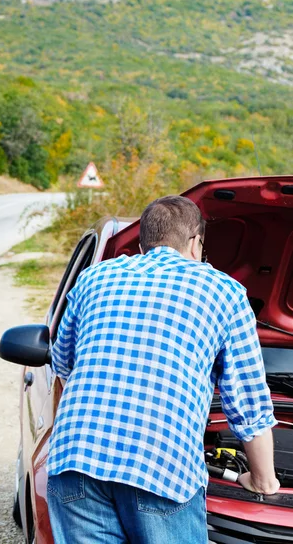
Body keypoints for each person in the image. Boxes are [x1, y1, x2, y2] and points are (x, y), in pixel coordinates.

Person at [47, 196, 279, 544]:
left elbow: (63, 362)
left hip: (76, 458)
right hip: (162, 465)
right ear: (195, 242)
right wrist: (263, 480)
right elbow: (249, 406)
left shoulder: (95, 278)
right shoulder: (224, 291)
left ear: (142, 243)